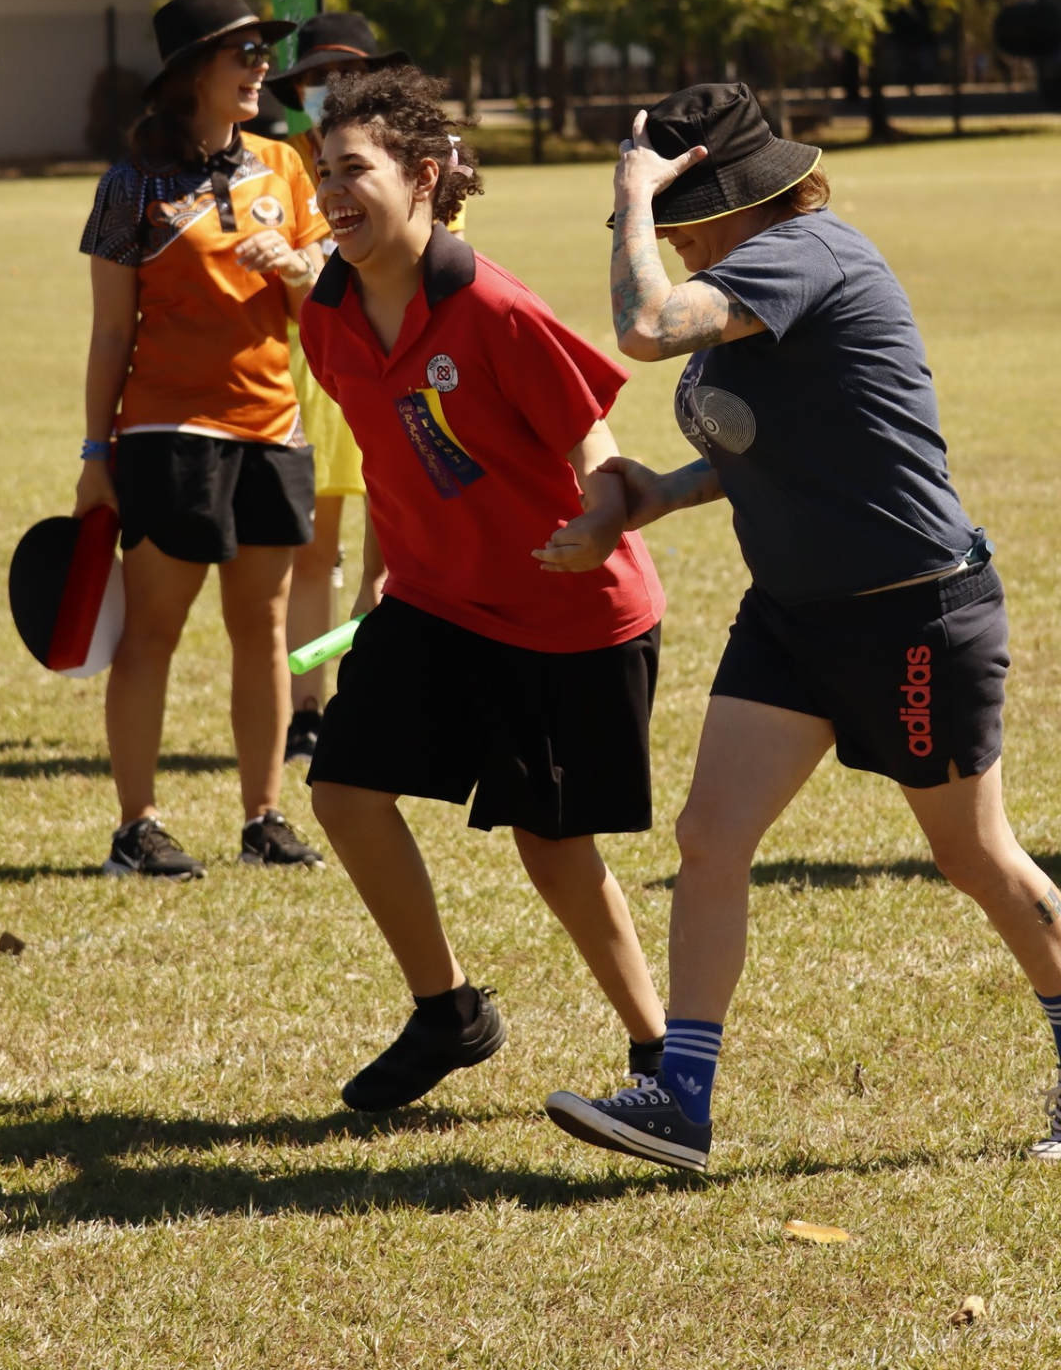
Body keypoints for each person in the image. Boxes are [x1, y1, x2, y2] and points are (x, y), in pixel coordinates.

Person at [545, 82, 1061, 1173]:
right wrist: (657, 492)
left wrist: (634, 189)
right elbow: (780, 443)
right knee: (709, 838)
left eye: (682, 218)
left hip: (910, 615)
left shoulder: (802, 253)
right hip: (793, 616)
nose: (671, 241)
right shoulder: (751, 277)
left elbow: (643, 330)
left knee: (975, 859)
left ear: (735, 198)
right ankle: (681, 1100)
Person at [298, 65, 667, 1110]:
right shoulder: (327, 315)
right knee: (343, 791)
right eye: (323, 170)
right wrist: (380, 571)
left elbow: (591, 430)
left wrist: (602, 519)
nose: (331, 189)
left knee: (552, 847)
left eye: (354, 170)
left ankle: (655, 1051)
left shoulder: (493, 306)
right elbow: (387, 454)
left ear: (421, 179)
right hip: (430, 600)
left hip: (566, 615)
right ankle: (449, 1013)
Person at [75, 0, 329, 879]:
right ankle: (135, 829)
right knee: (153, 631)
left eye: (263, 51)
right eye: (244, 52)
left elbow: (318, 305)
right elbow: (111, 334)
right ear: (192, 73)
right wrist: (95, 454)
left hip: (272, 429)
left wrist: (296, 264)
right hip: (168, 435)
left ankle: (263, 818)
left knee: (261, 629)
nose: (263, 66)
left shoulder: (287, 166)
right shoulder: (129, 185)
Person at [266, 14, 408, 761]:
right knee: (312, 553)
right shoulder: (285, 161)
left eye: (342, 77)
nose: (328, 92)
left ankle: (374, 700)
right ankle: (306, 710)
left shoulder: (416, 157)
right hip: (314, 372)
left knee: (394, 559)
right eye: (315, 81)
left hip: (399, 367)